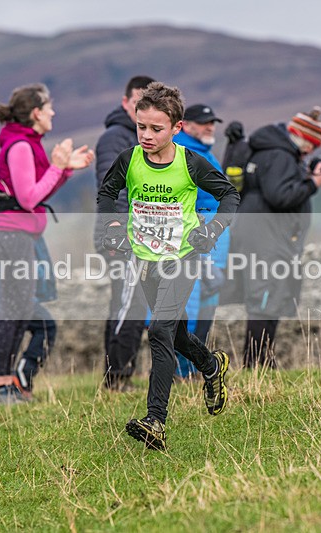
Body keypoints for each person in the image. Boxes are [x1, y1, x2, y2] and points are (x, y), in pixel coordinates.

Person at [97, 82, 240, 450]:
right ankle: (211, 366)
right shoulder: (129, 160)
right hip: (145, 259)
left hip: (183, 257)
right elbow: (107, 192)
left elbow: (229, 195)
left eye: (156, 129)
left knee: (158, 330)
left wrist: (212, 230)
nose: (146, 135)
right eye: (141, 127)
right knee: (174, 334)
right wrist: (112, 225)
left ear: (176, 128)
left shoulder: (189, 163)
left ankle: (155, 421)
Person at [0, 83, 93, 404]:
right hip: (10, 234)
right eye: (49, 108)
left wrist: (64, 170)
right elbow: (29, 198)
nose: (53, 113)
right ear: (36, 113)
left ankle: (5, 385)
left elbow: (40, 189)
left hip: (18, 233)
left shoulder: (27, 143)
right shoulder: (20, 146)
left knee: (19, 307)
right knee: (13, 308)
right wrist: (59, 168)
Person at [229, 107, 321, 368]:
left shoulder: (271, 150)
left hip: (259, 233)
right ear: (304, 138)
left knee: (266, 298)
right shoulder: (280, 156)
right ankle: (257, 364)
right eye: (312, 145)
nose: (311, 151)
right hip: (267, 237)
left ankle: (262, 360)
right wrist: (313, 184)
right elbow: (280, 196)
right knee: (264, 300)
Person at [94, 75, 155, 392]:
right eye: (138, 101)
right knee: (131, 302)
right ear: (125, 102)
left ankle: (116, 373)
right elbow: (112, 188)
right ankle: (117, 376)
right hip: (122, 233)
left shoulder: (140, 139)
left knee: (127, 300)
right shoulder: (115, 139)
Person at [0, 207, 57, 403]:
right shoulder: (18, 218)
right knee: (46, 326)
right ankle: (19, 378)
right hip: (12, 287)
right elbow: (36, 256)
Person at [172, 103, 230, 379]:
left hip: (212, 249)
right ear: (186, 125)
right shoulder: (185, 153)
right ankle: (181, 373)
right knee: (190, 312)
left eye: (212, 122)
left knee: (203, 310)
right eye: (203, 122)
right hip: (198, 248)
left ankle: (192, 371)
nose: (210, 127)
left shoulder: (203, 152)